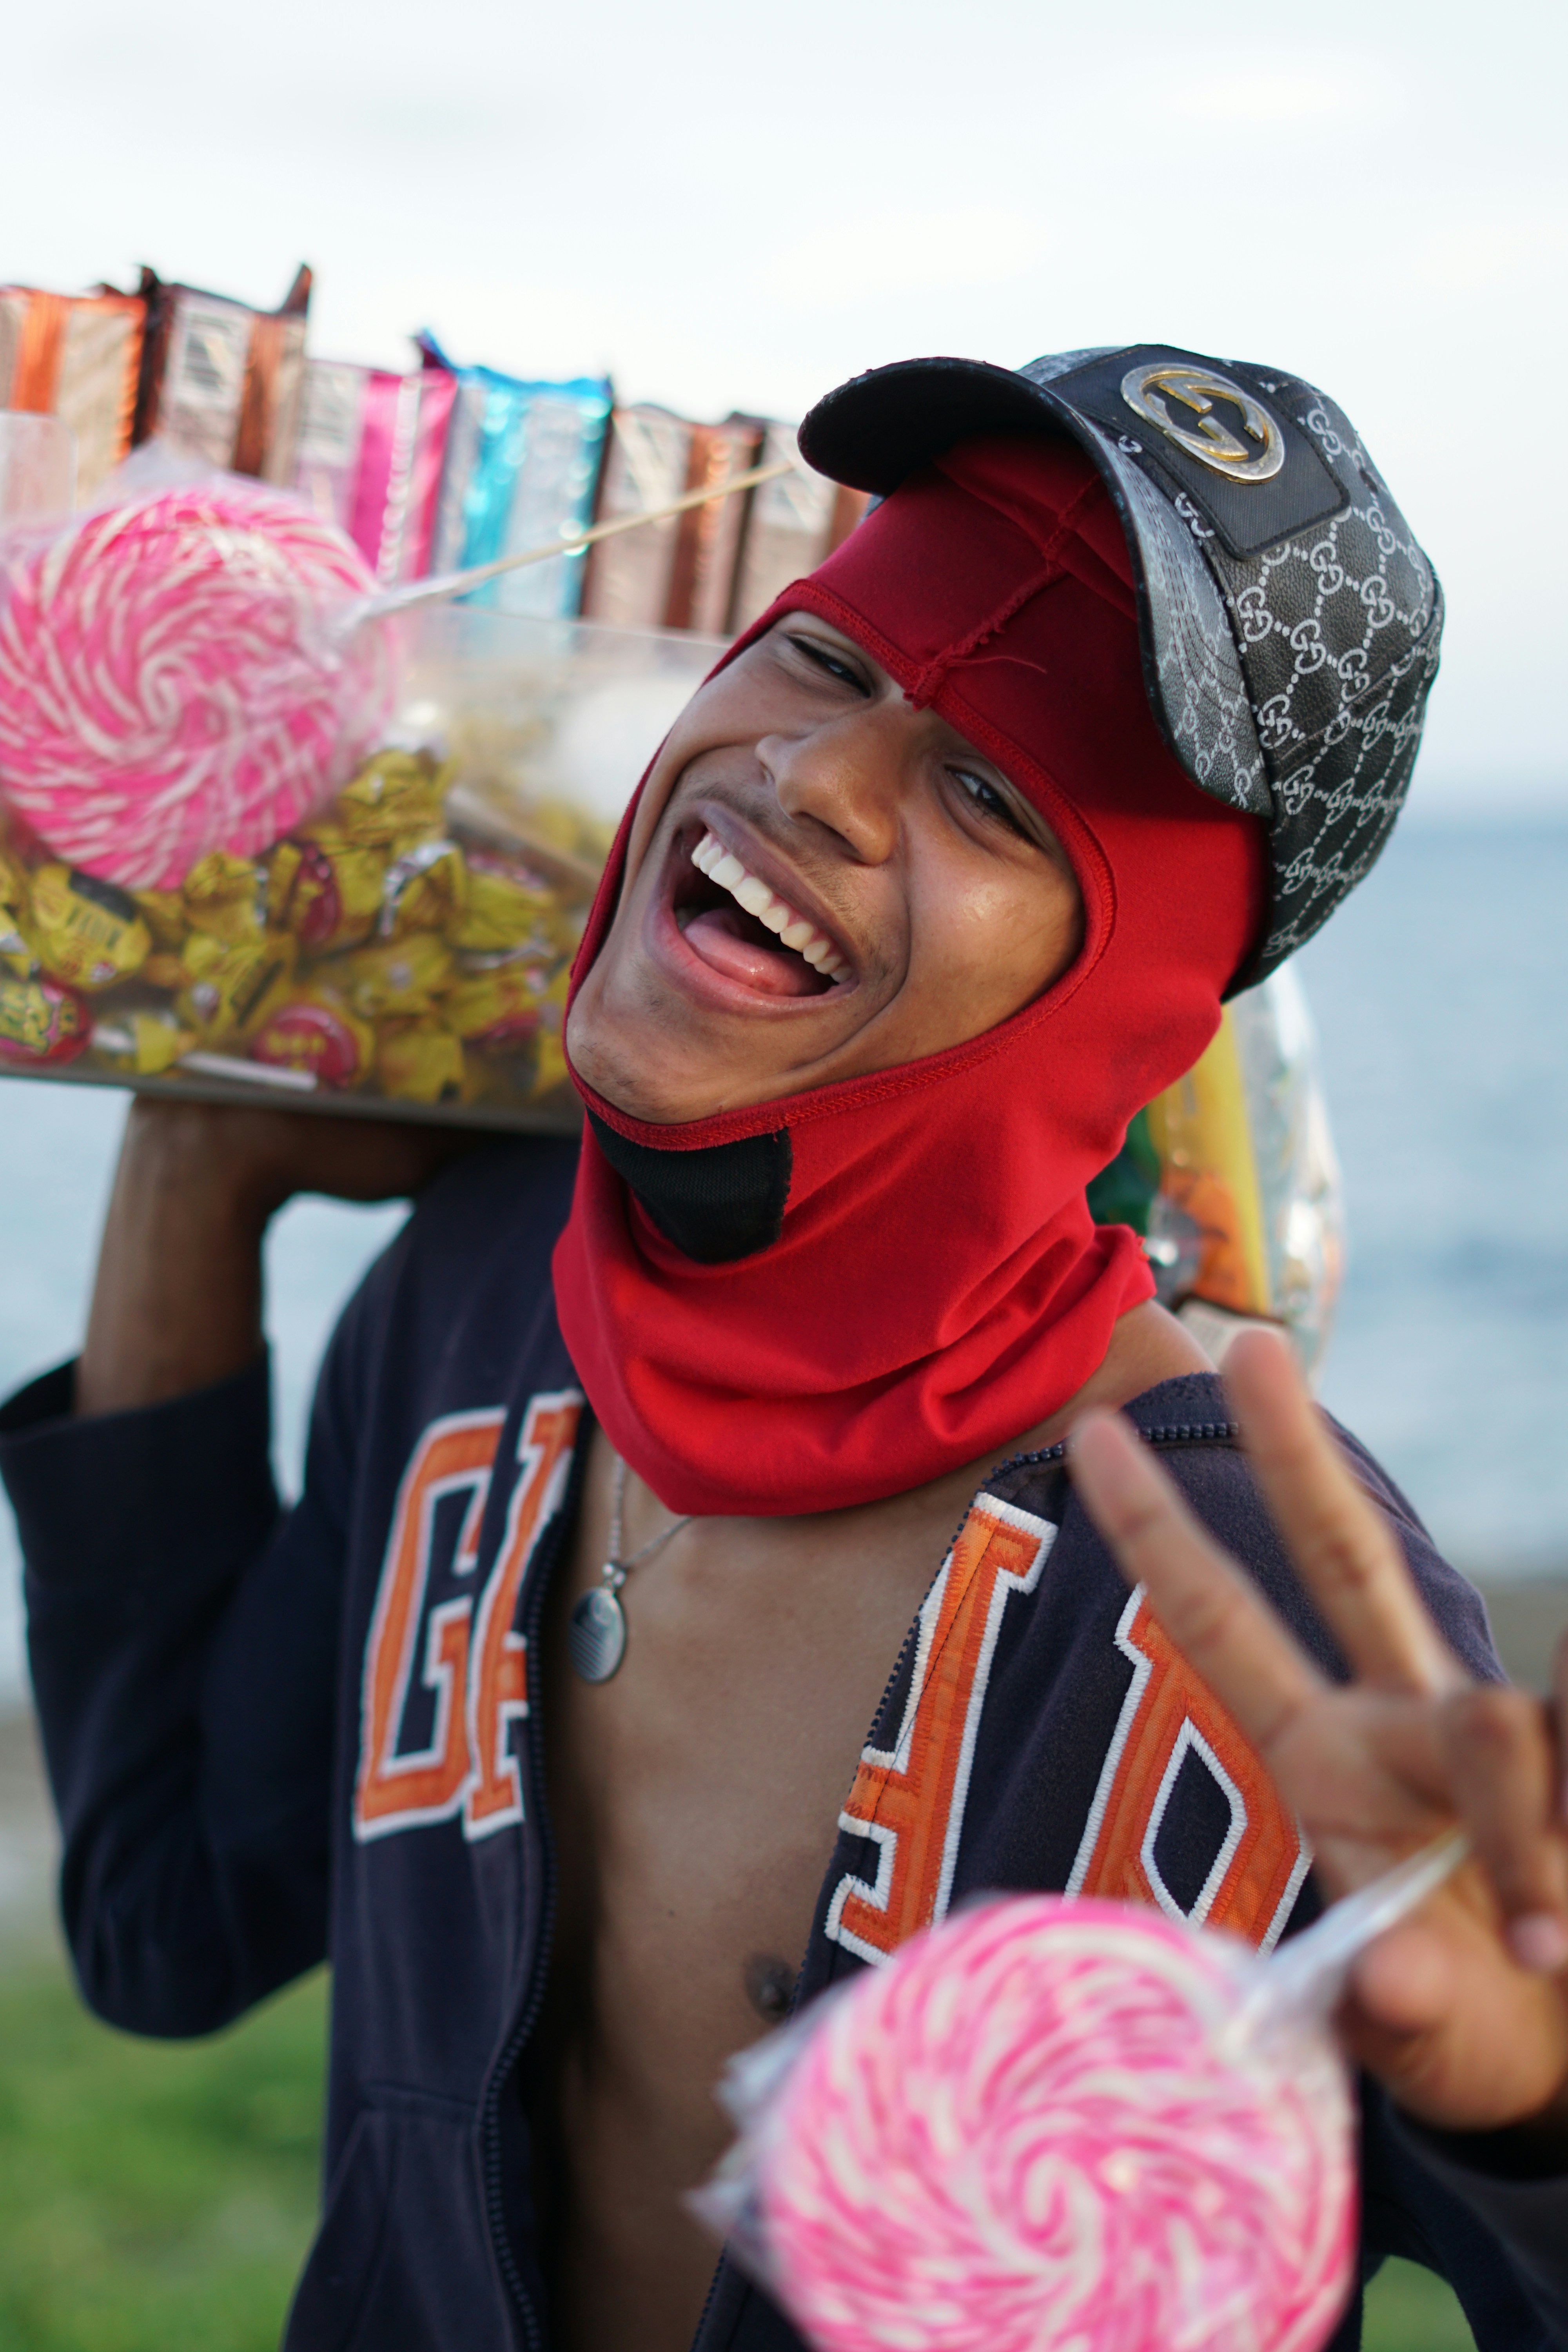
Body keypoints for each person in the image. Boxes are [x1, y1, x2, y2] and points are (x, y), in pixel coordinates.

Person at [2, 343, 1563, 2352]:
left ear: (1122, 1006)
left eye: (990, 790)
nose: (813, 776)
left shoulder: (1247, 1606)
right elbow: (163, 1925)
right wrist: (193, 1170)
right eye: (828, 662)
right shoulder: (485, 1303)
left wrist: (1539, 2117)